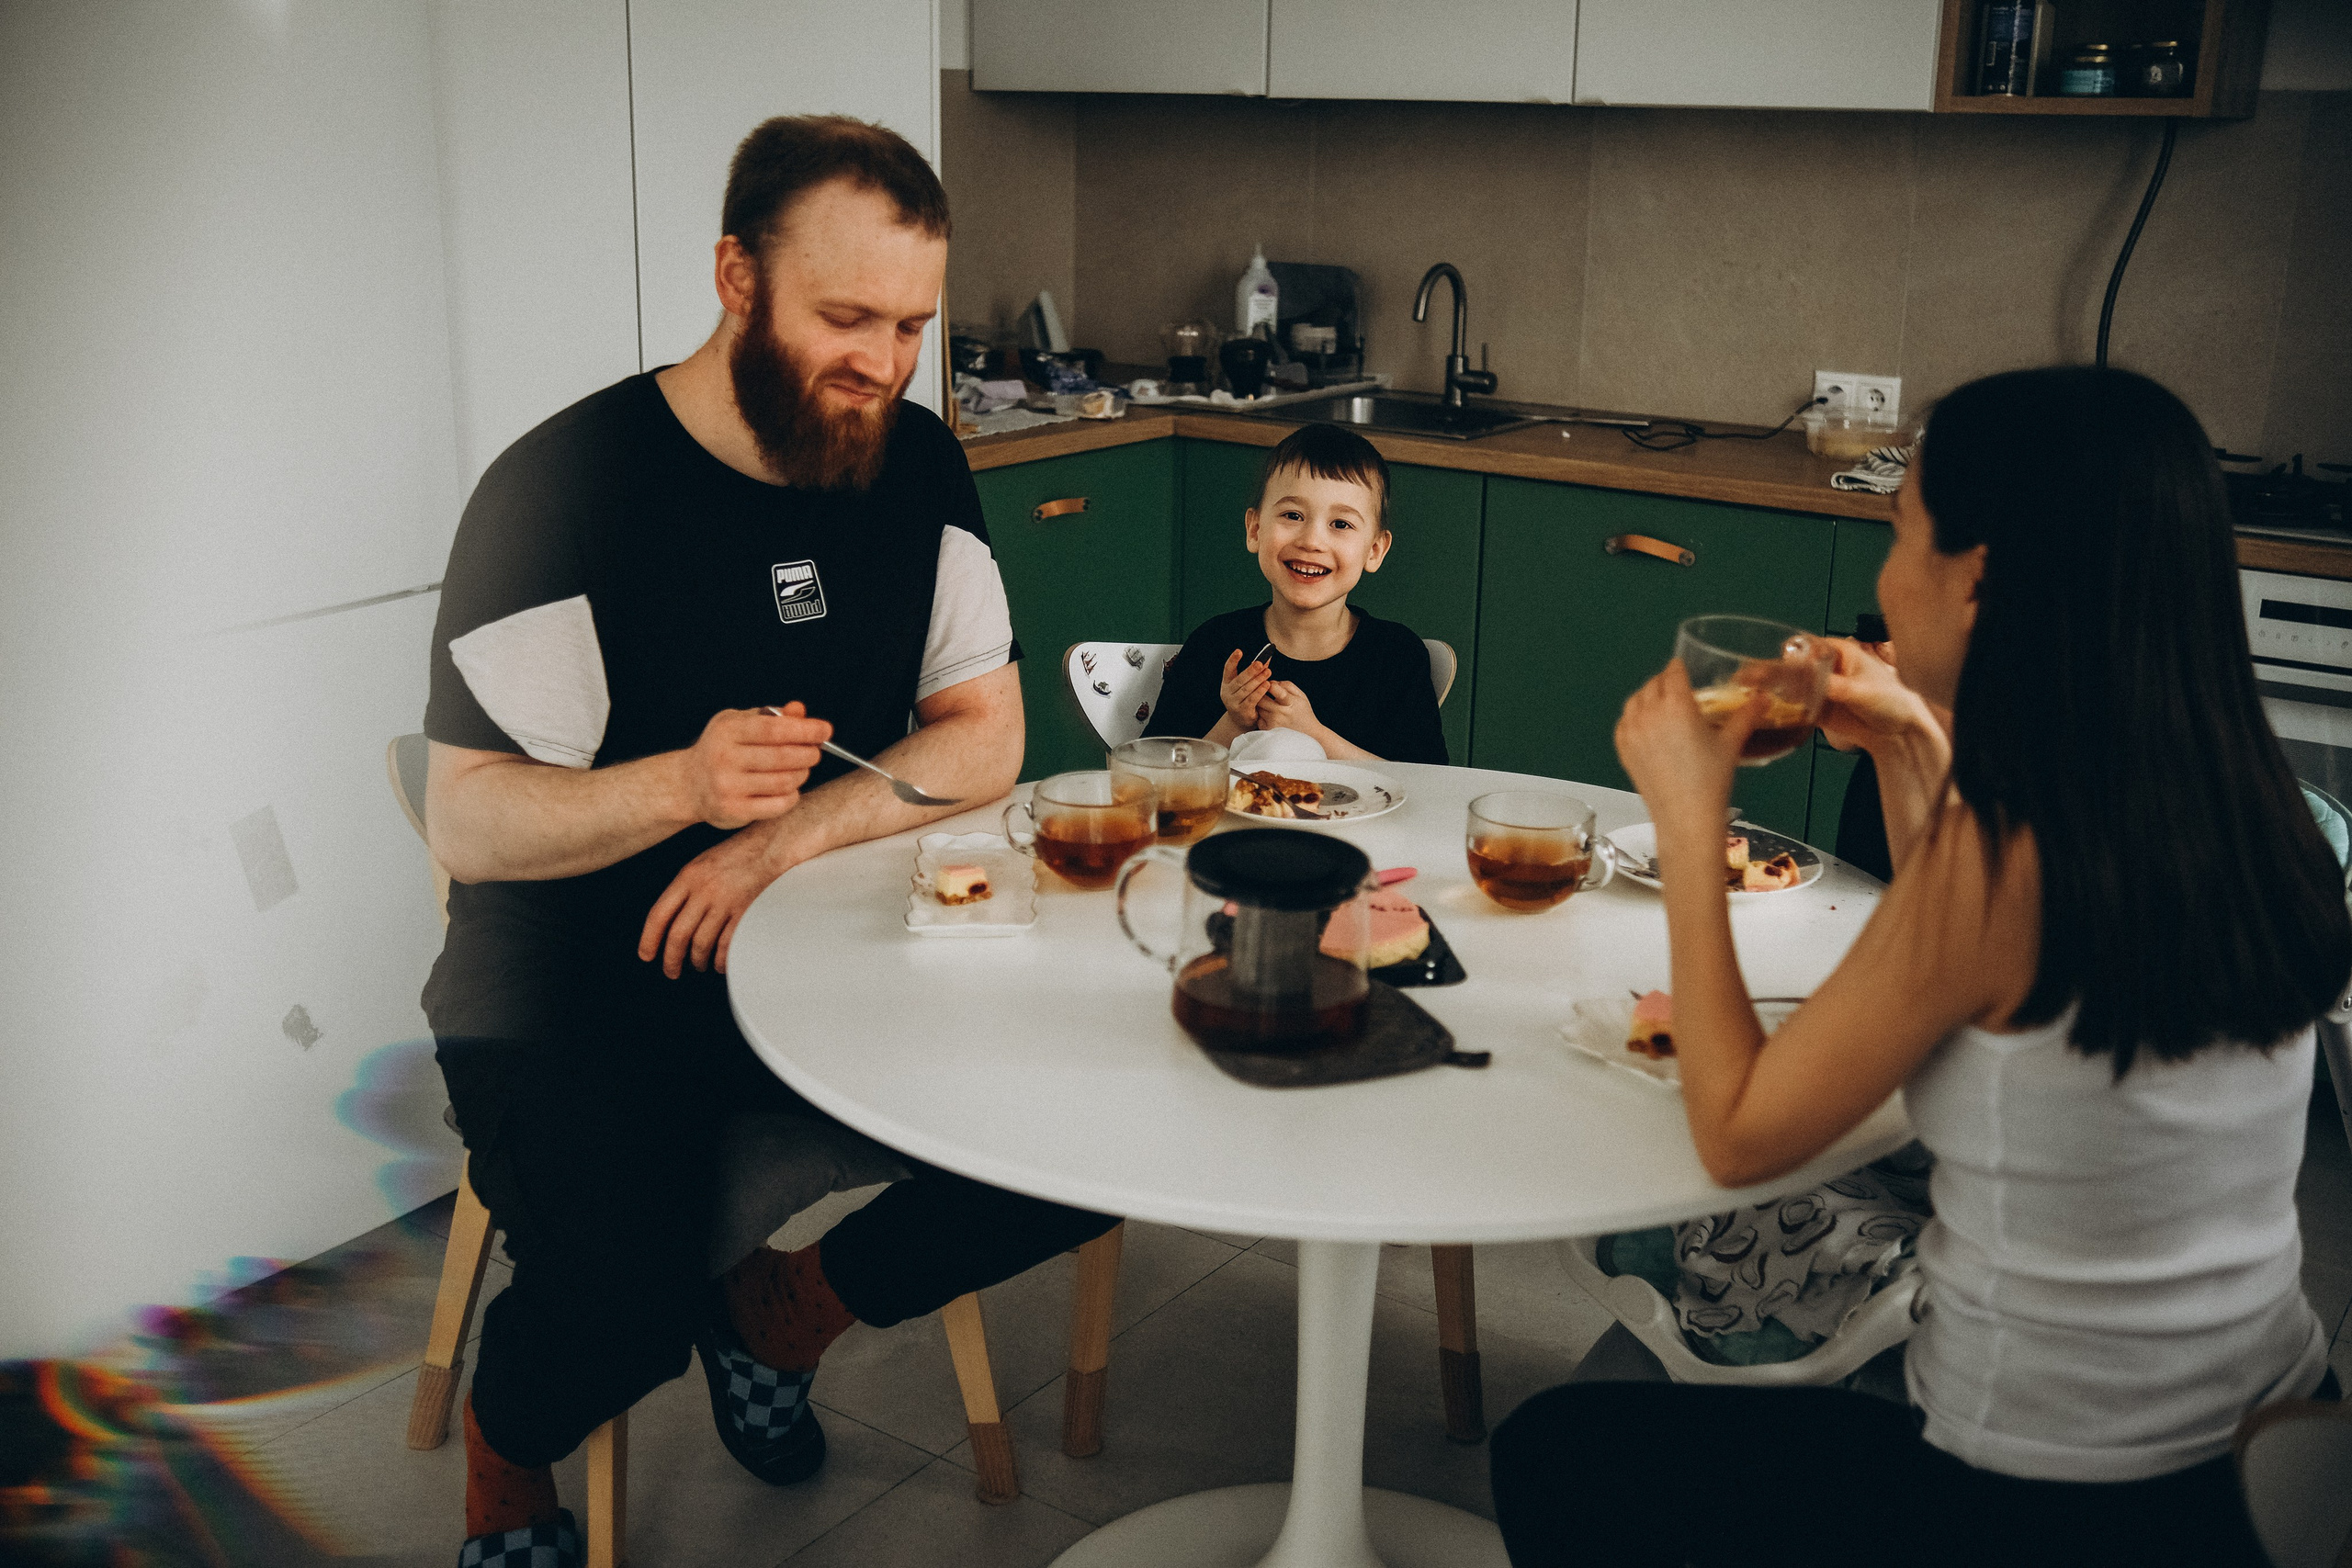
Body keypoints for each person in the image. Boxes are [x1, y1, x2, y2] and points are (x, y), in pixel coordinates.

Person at [1488, 367, 2351, 1568]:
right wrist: (1910, 734)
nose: (1882, 580)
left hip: (2054, 1509)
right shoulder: (2250, 802)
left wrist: (1690, 826)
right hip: (2263, 1452)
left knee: (1554, 1452)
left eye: (1900, 534)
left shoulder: (2005, 860)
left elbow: (1738, 1133)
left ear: (1982, 580)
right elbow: (1984, 963)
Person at [421, 116, 1117, 1566]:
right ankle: (507, 1446)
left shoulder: (916, 463)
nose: (881, 359)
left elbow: (983, 731)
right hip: (578, 983)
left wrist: (778, 840)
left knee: (1100, 1130)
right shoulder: (565, 490)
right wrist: (683, 785)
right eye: (844, 317)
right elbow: (469, 814)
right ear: (736, 276)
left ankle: (786, 1310)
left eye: (911, 323)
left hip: (827, 948)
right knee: (616, 1296)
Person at [1148, 423, 1448, 764]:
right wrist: (1233, 724)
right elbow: (1153, 774)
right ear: (1255, 530)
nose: (1311, 541)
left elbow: (1428, 784)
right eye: (1293, 515)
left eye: (1341, 524)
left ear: (1374, 551)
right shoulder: (1215, 644)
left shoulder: (1396, 657)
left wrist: (1314, 734)